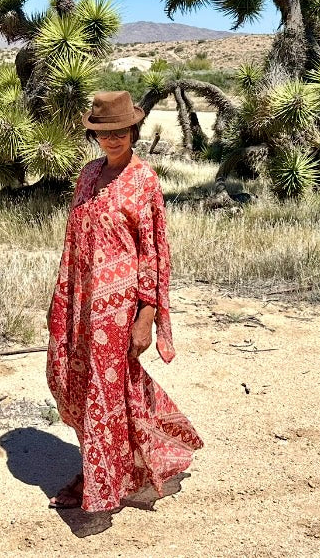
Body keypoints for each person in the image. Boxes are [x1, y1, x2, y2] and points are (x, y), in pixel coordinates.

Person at [46, 90, 203, 511]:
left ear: (132, 130)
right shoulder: (87, 174)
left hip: (118, 310)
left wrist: (145, 316)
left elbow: (153, 253)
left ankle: (99, 480)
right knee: (72, 384)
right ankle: (111, 465)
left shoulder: (144, 181)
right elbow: (73, 241)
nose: (113, 139)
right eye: (104, 132)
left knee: (105, 391)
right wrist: (60, 299)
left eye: (120, 131)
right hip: (79, 300)